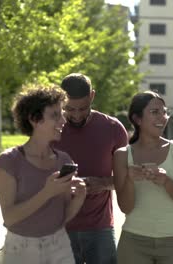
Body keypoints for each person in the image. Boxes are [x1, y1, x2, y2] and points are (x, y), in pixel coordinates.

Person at [0, 84, 86, 264]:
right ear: (34, 119)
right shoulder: (8, 162)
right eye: (55, 115)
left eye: (62, 114)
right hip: (21, 250)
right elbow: (9, 218)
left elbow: (62, 218)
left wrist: (79, 200)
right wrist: (46, 192)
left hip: (60, 245)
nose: (63, 121)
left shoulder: (64, 160)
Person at [52, 73, 128, 264]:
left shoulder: (114, 129)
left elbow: (128, 177)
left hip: (100, 229)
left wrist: (102, 183)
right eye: (69, 109)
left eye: (83, 108)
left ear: (92, 96)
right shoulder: (49, 129)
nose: (76, 115)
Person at [113, 91, 173, 264]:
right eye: (155, 112)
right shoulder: (121, 155)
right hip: (133, 241)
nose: (163, 117)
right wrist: (129, 179)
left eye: (164, 112)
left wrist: (165, 181)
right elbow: (125, 207)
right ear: (137, 119)